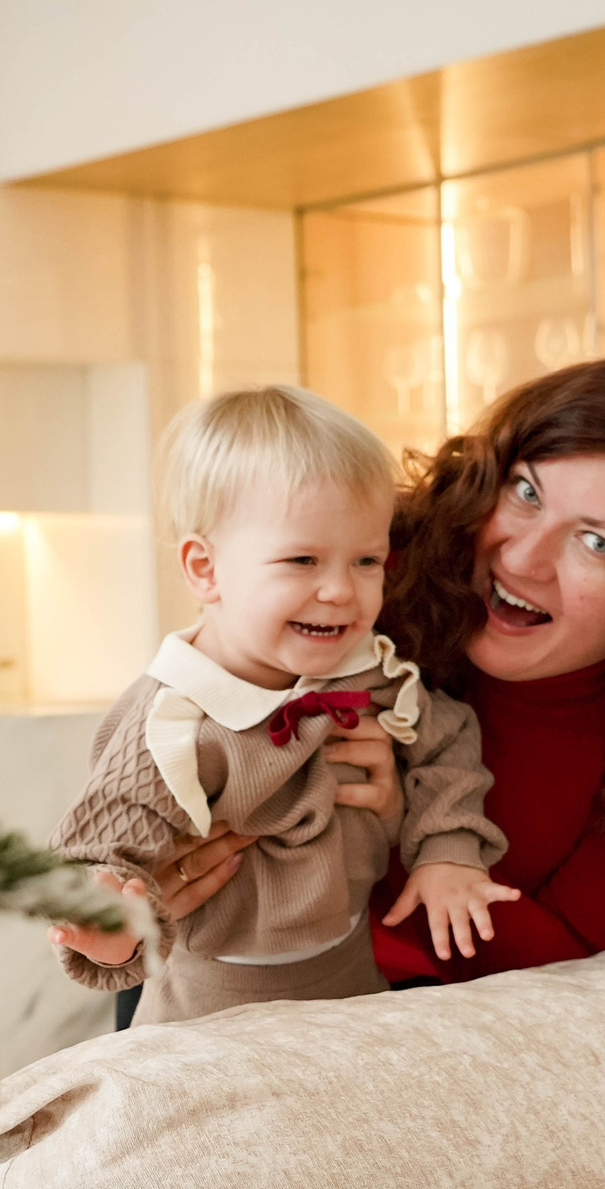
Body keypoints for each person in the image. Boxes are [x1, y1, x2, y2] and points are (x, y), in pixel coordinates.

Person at [135, 351, 605, 999]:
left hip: (429, 1031)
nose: (522, 559)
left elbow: (575, 981)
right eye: (527, 493)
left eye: (598, 543)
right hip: (214, 972)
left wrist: (402, 830)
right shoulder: (370, 574)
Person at [50, 385, 512, 1025]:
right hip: (209, 1006)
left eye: (366, 560)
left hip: (353, 979)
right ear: (205, 569)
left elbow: (448, 738)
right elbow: (101, 843)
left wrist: (446, 850)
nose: (339, 591)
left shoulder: (369, 671)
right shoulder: (175, 721)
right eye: (302, 560)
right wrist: (109, 926)